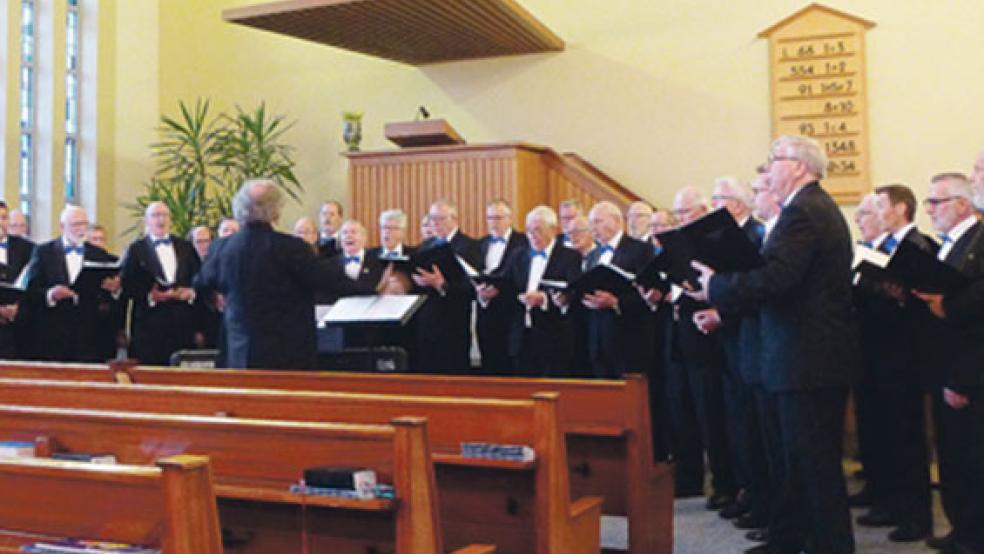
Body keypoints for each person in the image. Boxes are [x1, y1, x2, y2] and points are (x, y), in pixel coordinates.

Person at [690, 135, 859, 554]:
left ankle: (829, 546)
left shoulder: (804, 212)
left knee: (813, 465)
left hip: (807, 358)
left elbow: (776, 279)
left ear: (799, 166)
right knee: (795, 462)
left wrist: (718, 285)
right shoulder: (807, 209)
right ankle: (790, 539)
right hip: (798, 356)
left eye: (774, 161)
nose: (766, 170)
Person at [195, 180, 385, 370]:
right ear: (275, 211)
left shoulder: (222, 247)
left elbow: (200, 282)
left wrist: (214, 296)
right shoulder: (291, 248)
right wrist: (372, 288)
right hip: (285, 354)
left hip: (238, 352)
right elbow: (330, 280)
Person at [851, 184, 935, 542]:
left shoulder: (918, 246)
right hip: (874, 355)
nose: (872, 214)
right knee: (882, 433)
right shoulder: (878, 249)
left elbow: (918, 304)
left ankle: (915, 514)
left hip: (904, 358)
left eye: (879, 206)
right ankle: (888, 500)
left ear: (900, 208)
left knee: (906, 438)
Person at [911, 173, 984, 553]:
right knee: (952, 456)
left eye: (936, 202)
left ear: (961, 203)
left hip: (966, 369)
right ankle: (961, 528)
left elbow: (975, 319)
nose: (930, 210)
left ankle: (973, 535)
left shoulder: (978, 239)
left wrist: (959, 378)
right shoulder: (948, 244)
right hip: (942, 365)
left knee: (970, 459)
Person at [665, 186, 736, 508]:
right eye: (677, 213)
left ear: (704, 210)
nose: (681, 219)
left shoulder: (714, 243)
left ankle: (725, 483)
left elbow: (725, 284)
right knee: (688, 413)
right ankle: (693, 478)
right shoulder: (678, 244)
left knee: (714, 417)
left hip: (709, 338)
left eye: (686, 212)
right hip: (683, 336)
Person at [708, 175, 768, 525]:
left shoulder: (755, 236)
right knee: (739, 423)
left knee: (753, 427)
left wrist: (720, 310)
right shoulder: (726, 238)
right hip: (731, 341)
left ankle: (760, 499)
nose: (715, 206)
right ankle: (749, 492)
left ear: (738, 204)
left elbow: (751, 289)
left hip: (751, 339)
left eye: (720, 199)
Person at [477, 206, 581, 376]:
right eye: (528, 230)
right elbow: (505, 284)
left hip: (553, 338)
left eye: (538, 230)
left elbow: (574, 291)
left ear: (553, 230)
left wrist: (545, 299)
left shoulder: (569, 257)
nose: (532, 235)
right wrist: (487, 294)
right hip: (521, 335)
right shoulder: (519, 255)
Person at [23, 205, 120, 362]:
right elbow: (30, 290)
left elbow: (109, 298)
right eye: (76, 225)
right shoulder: (44, 252)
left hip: (89, 335)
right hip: (53, 334)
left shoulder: (98, 254)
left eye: (84, 224)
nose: (81, 229)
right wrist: (50, 295)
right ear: (62, 227)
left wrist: (114, 289)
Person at [578, 200, 654, 378]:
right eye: (591, 223)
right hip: (597, 337)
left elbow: (648, 293)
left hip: (628, 336)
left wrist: (616, 302)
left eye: (598, 221)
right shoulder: (592, 256)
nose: (593, 228)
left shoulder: (640, 250)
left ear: (617, 221)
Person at [120, 202, 201, 365]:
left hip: (182, 324)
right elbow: (127, 284)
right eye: (155, 215)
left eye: (164, 215)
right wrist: (151, 296)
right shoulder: (137, 250)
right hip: (150, 326)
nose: (160, 220)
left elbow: (199, 277)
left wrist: (190, 293)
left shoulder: (185, 247)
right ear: (147, 221)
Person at [411, 199, 481, 373]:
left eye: (440, 219)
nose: (435, 223)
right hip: (427, 318)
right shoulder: (425, 246)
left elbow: (474, 287)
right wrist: (417, 280)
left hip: (453, 321)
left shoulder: (470, 246)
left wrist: (442, 284)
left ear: (454, 219)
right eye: (432, 219)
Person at [475, 199, 528, 374]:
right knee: (488, 362)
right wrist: (480, 292)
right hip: (485, 312)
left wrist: (501, 290)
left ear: (510, 219)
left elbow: (523, 278)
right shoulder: (481, 244)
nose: (493, 222)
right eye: (490, 218)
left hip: (511, 312)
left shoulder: (523, 242)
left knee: (510, 363)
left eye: (498, 217)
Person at [0, 201, 35, 358]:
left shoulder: (29, 249)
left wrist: (18, 308)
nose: (1, 223)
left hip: (20, 329)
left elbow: (35, 284)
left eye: (4, 218)